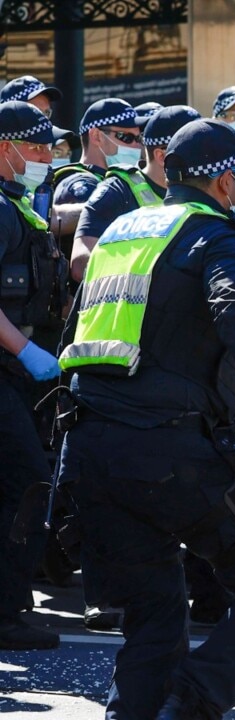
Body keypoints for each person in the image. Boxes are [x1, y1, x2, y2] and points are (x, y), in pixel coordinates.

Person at [56, 117, 235, 719]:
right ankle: (190, 704)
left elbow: (76, 329)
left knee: (156, 612)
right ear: (223, 182)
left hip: (90, 445)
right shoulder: (219, 237)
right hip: (171, 451)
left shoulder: (120, 231)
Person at [0, 100, 65, 651]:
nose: (46, 157)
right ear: (6, 147)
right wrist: (25, 351)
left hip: (15, 374)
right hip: (6, 367)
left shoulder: (17, 205)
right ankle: (5, 613)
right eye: (36, 146)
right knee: (25, 483)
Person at [71, 105, 203, 281]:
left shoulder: (199, 194)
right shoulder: (116, 191)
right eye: (196, 152)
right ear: (162, 156)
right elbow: (80, 264)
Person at [50, 98, 144, 241]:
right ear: (96, 136)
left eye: (138, 139)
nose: (137, 147)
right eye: (126, 137)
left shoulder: (116, 181)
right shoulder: (82, 183)